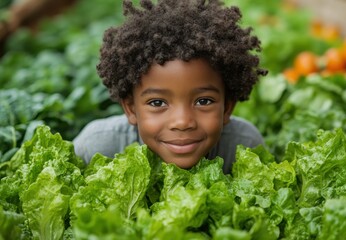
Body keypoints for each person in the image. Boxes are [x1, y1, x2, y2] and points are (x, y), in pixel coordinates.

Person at [73, 0, 268, 174]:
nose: (182, 122)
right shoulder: (97, 148)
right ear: (131, 108)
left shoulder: (243, 147)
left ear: (227, 107)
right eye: (157, 102)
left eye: (203, 101)